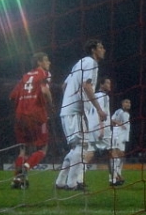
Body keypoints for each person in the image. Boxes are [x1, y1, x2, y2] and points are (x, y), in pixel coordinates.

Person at [55, 39, 108, 191]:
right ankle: (72, 184)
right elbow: (86, 85)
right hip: (75, 111)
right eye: (101, 47)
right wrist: (99, 109)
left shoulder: (79, 63)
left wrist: (70, 100)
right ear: (93, 50)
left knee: (75, 148)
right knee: (83, 146)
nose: (103, 50)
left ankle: (60, 182)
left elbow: (64, 85)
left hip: (68, 110)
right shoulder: (91, 63)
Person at [9, 52, 53, 189]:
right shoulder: (44, 73)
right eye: (46, 60)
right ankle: (26, 168)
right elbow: (44, 91)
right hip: (36, 115)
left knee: (23, 151)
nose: (49, 63)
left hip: (20, 116)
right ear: (39, 62)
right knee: (43, 148)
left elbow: (12, 96)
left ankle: (17, 179)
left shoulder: (25, 76)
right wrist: (51, 105)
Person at [85, 77, 113, 184]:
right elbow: (100, 112)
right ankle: (114, 178)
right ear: (101, 84)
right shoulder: (104, 96)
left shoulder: (93, 96)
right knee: (111, 152)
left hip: (92, 128)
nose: (109, 85)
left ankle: (79, 178)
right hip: (102, 128)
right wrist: (102, 129)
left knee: (90, 152)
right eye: (107, 83)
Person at [109, 98, 132, 186]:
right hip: (118, 135)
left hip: (123, 137)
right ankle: (115, 176)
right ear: (122, 104)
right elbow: (111, 120)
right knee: (117, 155)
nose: (128, 104)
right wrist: (119, 124)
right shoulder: (119, 111)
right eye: (126, 102)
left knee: (121, 156)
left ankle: (116, 175)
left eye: (129, 102)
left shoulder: (126, 113)